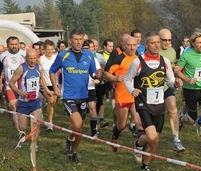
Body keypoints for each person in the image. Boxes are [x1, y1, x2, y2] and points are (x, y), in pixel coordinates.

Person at [124, 31, 180, 171]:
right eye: (153, 42)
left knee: (155, 140)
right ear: (146, 44)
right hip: (143, 104)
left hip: (159, 104)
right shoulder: (138, 62)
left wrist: (177, 84)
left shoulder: (165, 62)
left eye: (158, 42)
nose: (156, 45)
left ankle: (145, 166)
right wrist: (132, 90)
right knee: (151, 136)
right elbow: (127, 79)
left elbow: (170, 82)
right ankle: (138, 144)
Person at [49, 29, 102, 163]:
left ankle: (73, 151)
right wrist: (55, 86)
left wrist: (97, 75)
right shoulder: (63, 56)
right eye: (76, 39)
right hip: (68, 96)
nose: (79, 42)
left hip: (84, 95)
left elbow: (93, 74)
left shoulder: (89, 55)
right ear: (70, 41)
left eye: (81, 39)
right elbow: (52, 70)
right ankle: (70, 141)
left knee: (79, 128)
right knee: (77, 124)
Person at [175, 31, 201, 152]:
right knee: (192, 119)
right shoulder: (186, 55)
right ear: (193, 43)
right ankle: (181, 119)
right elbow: (177, 71)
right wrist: (187, 80)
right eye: (199, 43)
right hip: (190, 90)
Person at [8, 49, 51, 152]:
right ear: (26, 58)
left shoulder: (39, 67)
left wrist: (47, 90)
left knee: (37, 123)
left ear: (37, 57)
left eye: (34, 58)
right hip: (23, 102)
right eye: (30, 58)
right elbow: (11, 83)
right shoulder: (21, 68)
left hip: (35, 101)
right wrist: (19, 93)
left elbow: (41, 80)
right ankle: (22, 134)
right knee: (23, 127)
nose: (32, 61)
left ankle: (34, 145)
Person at [104, 36, 138, 152]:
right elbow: (106, 74)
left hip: (136, 95)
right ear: (124, 45)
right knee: (121, 125)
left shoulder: (139, 59)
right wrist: (116, 77)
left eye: (134, 45)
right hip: (122, 95)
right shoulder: (119, 59)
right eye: (129, 45)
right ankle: (115, 136)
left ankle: (140, 146)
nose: (132, 47)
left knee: (139, 122)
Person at [159, 28, 185, 152]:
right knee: (157, 115)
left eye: (169, 40)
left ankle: (176, 140)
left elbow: (172, 67)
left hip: (167, 86)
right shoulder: (153, 51)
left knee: (173, 110)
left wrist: (176, 77)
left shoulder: (172, 52)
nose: (167, 43)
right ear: (158, 40)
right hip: (153, 88)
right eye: (164, 40)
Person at [0, 36, 26, 136]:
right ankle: (20, 131)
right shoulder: (3, 56)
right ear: (7, 45)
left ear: (19, 44)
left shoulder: (24, 54)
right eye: (12, 44)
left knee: (22, 106)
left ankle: (20, 123)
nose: (14, 46)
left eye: (16, 44)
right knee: (14, 105)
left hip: (22, 86)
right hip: (9, 86)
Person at [39, 39, 58, 131]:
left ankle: (49, 118)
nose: (50, 51)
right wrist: (45, 88)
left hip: (55, 84)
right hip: (45, 84)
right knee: (50, 101)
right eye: (48, 49)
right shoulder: (41, 59)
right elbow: (39, 75)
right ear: (44, 50)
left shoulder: (56, 58)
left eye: (52, 49)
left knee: (53, 103)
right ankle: (49, 123)